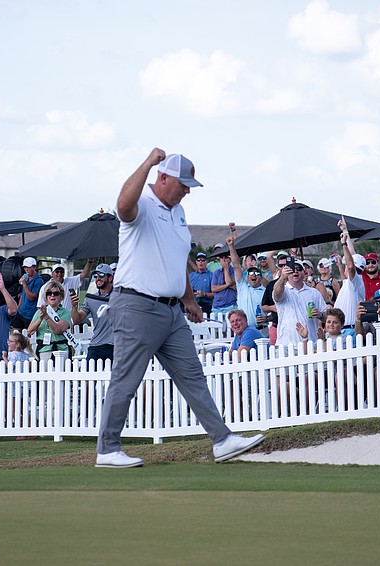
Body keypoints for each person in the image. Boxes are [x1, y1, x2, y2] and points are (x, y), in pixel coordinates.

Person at [96, 148, 264, 468]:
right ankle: (107, 449)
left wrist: (188, 299)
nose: (187, 190)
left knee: (192, 376)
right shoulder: (143, 204)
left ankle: (222, 440)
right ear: (162, 178)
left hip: (171, 311)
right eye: (182, 184)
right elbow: (122, 205)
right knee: (127, 379)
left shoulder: (179, 213)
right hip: (136, 305)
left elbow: (175, 262)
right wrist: (147, 161)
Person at [273, 259, 327, 347]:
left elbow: (327, 317)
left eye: (298, 269)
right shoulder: (284, 290)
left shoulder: (314, 292)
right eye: (292, 269)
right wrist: (282, 277)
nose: (295, 271)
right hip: (286, 345)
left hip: (310, 343)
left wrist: (320, 315)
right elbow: (276, 293)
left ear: (304, 272)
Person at [70, 263, 115, 363]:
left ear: (110, 278)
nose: (98, 278)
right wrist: (73, 306)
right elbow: (77, 320)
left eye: (102, 275)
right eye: (96, 276)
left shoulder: (119, 297)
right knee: (88, 378)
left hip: (115, 346)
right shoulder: (91, 298)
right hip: (96, 345)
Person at [332, 217, 366, 340]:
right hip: (343, 330)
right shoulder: (353, 282)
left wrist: (344, 244)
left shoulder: (355, 281)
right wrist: (345, 230)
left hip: (349, 331)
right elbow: (353, 255)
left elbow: (351, 265)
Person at [224, 230, 266, 330]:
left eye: (257, 273)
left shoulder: (265, 291)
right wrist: (231, 246)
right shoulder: (242, 285)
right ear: (247, 276)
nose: (253, 275)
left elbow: (274, 310)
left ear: (261, 277)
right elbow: (236, 265)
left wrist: (266, 318)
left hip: (263, 331)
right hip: (244, 330)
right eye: (250, 273)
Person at [28, 281, 73, 361]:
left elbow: (58, 330)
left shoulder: (65, 312)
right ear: (46, 296)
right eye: (49, 293)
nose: (52, 295)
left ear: (61, 296)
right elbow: (29, 331)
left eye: (56, 293)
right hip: (44, 349)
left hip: (61, 350)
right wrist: (40, 319)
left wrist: (47, 317)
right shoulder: (39, 312)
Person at [12, 257, 43, 330]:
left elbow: (32, 297)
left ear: (35, 267)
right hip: (21, 312)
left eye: (29, 267)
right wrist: (18, 307)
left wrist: (24, 284)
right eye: (25, 267)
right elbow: (23, 294)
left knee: (27, 337)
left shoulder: (38, 281)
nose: (26, 270)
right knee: (16, 333)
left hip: (30, 314)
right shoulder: (25, 277)